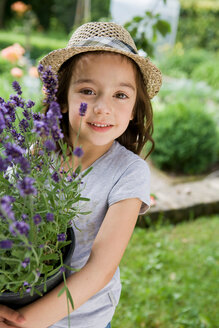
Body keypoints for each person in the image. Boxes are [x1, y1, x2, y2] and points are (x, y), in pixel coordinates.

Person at [0, 21, 162, 328]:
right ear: (63, 100)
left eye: (120, 95)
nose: (102, 107)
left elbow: (99, 269)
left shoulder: (129, 172)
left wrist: (21, 322)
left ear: (133, 109)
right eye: (88, 91)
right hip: (22, 292)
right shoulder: (38, 153)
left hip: (80, 316)